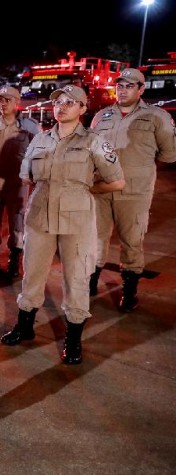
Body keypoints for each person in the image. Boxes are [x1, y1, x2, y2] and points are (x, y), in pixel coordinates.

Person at [3, 85, 125, 364]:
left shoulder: (95, 141)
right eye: (58, 102)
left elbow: (117, 181)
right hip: (40, 216)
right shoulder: (40, 140)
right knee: (32, 274)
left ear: (83, 109)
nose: (62, 107)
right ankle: (25, 326)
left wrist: (83, 190)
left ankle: (73, 339)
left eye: (71, 102)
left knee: (77, 278)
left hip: (77, 219)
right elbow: (27, 177)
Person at [89, 68, 176, 310]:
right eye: (120, 85)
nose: (123, 89)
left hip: (134, 193)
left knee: (131, 242)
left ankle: (129, 292)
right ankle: (90, 283)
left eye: (130, 85)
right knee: (94, 238)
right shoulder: (102, 116)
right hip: (102, 190)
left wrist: (138, 168)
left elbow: (169, 154)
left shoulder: (156, 117)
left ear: (141, 89)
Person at [0, 86, 40, 278]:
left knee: (17, 221)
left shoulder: (30, 126)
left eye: (7, 100)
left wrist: (34, 176)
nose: (2, 104)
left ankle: (14, 261)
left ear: (17, 102)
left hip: (17, 183)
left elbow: (41, 153)